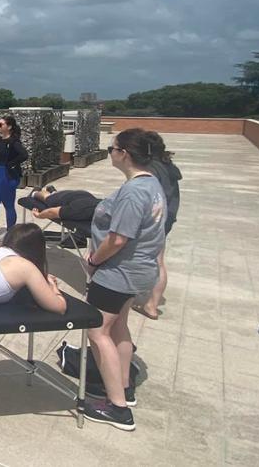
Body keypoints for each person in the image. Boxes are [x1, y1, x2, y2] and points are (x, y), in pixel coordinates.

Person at [80, 128, 169, 431]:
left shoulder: (134, 191)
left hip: (120, 272)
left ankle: (117, 408)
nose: (110, 153)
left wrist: (93, 260)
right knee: (118, 326)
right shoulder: (151, 183)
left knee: (96, 331)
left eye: (112, 148)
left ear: (124, 154)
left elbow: (118, 239)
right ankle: (125, 388)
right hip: (136, 271)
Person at [134, 152, 183, 320]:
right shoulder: (167, 166)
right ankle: (152, 304)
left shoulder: (151, 170)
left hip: (155, 220)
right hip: (166, 217)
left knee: (154, 261)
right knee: (159, 261)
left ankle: (150, 305)